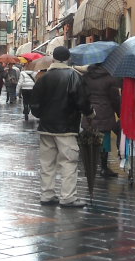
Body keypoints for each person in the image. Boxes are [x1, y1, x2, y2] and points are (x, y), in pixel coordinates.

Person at [28, 46, 92, 208]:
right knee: (68, 162)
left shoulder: (43, 78)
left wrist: (42, 115)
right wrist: (90, 113)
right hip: (67, 128)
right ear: (68, 58)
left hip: (46, 127)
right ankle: (68, 197)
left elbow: (34, 105)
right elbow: (82, 101)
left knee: (47, 163)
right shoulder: (74, 76)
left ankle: (47, 194)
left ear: (54, 59)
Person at [82, 62, 122, 178]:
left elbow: (82, 95)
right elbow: (115, 98)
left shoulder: (86, 77)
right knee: (105, 139)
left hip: (89, 111)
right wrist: (119, 112)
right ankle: (104, 168)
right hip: (105, 111)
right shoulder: (110, 78)